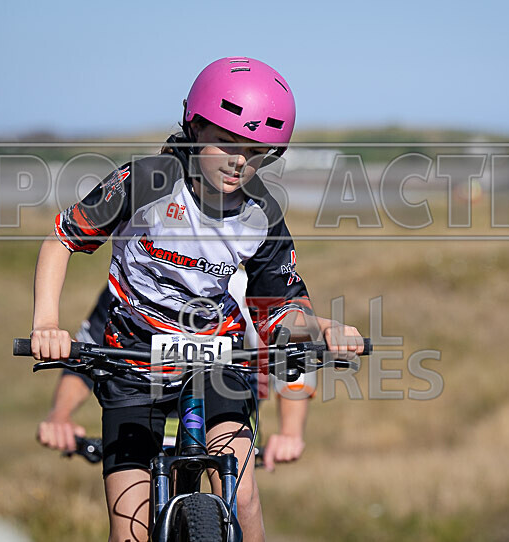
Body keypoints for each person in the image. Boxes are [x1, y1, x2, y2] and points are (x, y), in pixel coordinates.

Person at [30, 57, 365, 542]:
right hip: (132, 360)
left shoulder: (262, 215)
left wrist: (323, 329)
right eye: (226, 143)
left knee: (244, 495)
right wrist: (47, 323)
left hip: (216, 359)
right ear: (193, 125)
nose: (238, 162)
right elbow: (61, 241)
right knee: (130, 529)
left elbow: (282, 310)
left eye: (256, 152)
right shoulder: (145, 182)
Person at [36, 286, 314, 471]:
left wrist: (290, 432)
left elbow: (292, 362)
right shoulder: (131, 282)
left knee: (233, 495)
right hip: (147, 404)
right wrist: (60, 416)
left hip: (224, 404)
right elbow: (87, 355)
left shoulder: (243, 288)